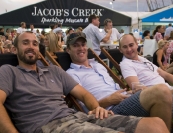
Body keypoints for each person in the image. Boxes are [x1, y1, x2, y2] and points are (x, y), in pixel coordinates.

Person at [0, 31, 167, 133]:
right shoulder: (9, 71)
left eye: (35, 43)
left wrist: (97, 109)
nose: (31, 46)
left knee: (156, 125)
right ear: (15, 49)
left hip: (77, 117)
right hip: (47, 125)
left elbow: (84, 94)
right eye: (25, 43)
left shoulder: (54, 71)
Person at [65, 32, 172, 131]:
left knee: (161, 102)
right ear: (68, 50)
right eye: (75, 46)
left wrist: (128, 93)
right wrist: (109, 100)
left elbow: (113, 88)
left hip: (124, 100)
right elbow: (84, 109)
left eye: (83, 44)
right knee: (161, 91)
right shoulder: (71, 74)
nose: (81, 48)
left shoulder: (98, 65)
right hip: (110, 111)